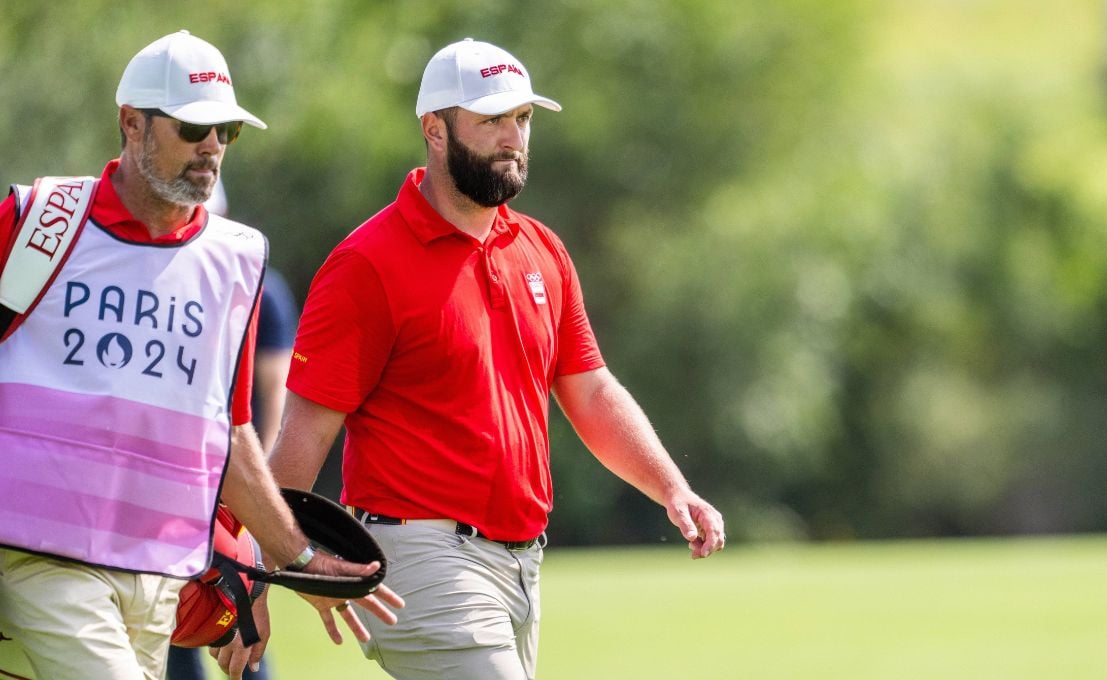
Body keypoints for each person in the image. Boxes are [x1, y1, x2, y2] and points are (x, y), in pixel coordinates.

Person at [267, 38, 726, 679]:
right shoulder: (366, 265)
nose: (514, 136)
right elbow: (305, 431)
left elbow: (590, 391)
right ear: (434, 129)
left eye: (523, 119)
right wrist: (266, 568)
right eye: (491, 120)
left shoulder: (541, 248)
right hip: (420, 559)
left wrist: (671, 486)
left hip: (521, 565)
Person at [0, 30, 402, 680]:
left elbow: (230, 434)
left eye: (227, 132)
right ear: (131, 124)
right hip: (40, 560)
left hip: (158, 572)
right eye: (193, 127)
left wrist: (290, 560)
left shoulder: (235, 259)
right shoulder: (40, 220)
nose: (212, 145)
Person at [166, 180, 297, 680]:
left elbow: (276, 392)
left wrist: (257, 493)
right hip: (167, 490)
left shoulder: (263, 288)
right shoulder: (157, 280)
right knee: (173, 636)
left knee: (235, 618)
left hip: (228, 490)